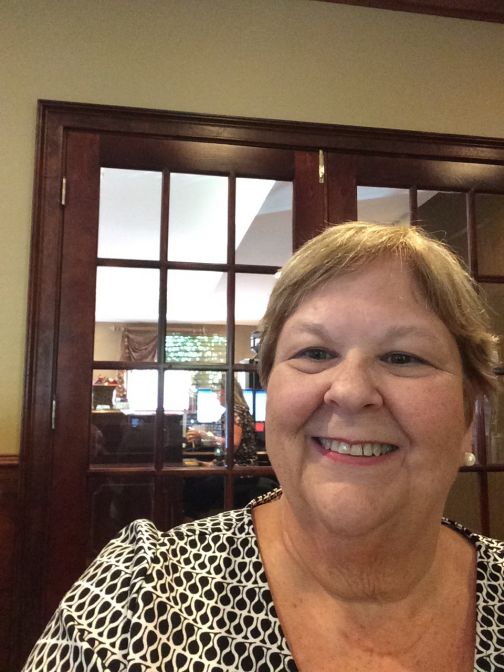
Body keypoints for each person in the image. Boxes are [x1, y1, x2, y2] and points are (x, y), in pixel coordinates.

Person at [23, 221, 503, 672]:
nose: (350, 391)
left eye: (403, 357)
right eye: (315, 352)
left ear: (470, 410)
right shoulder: (139, 596)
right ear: (271, 386)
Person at [186, 380, 257, 465]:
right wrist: (213, 464)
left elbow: (232, 444)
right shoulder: (241, 410)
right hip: (244, 467)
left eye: (219, 393)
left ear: (227, 393)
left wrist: (204, 436)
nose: (217, 396)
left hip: (239, 469)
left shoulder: (234, 412)